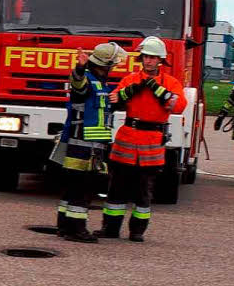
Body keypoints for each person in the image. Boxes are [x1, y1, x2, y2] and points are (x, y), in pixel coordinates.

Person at [100, 36, 185, 242]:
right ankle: (110, 229)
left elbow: (179, 106)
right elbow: (113, 100)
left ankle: (137, 231)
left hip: (151, 141)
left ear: (161, 60)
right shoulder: (130, 79)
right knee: (116, 188)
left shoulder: (170, 82)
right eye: (146, 57)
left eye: (153, 58)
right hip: (128, 136)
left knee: (144, 190)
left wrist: (159, 91)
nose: (148, 61)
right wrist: (125, 94)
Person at [52, 43, 123, 242]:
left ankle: (64, 227)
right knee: (81, 187)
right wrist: (80, 68)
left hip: (91, 144)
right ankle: (77, 230)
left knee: (74, 187)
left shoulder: (100, 84)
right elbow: (77, 84)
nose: (114, 68)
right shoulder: (87, 80)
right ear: (104, 65)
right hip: (82, 145)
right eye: (112, 65)